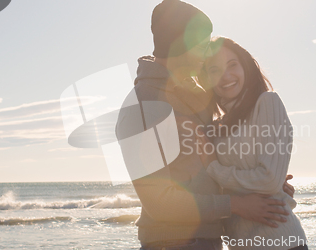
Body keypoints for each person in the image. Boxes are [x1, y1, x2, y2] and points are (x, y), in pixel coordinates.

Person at [116, 1, 297, 249]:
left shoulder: (197, 95)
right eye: (202, 47)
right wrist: (237, 204)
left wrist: (260, 182)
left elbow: (207, 165)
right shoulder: (141, 106)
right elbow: (158, 202)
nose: (206, 56)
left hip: (212, 239)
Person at [197, 36, 308, 249]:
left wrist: (214, 167)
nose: (226, 76)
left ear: (245, 67)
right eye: (214, 70)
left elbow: (268, 181)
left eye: (232, 65)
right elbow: (209, 189)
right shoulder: (216, 127)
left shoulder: (267, 103)